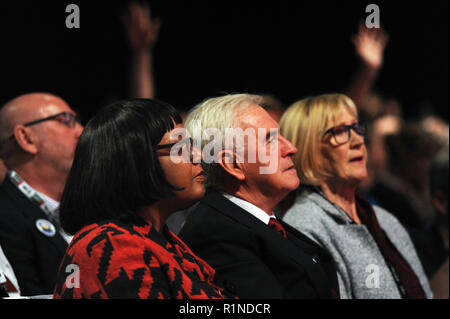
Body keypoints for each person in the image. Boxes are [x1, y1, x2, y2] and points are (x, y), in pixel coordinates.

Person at [53, 98, 230, 299]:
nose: (198, 156)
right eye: (180, 148)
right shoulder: (112, 245)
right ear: (137, 164)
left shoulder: (162, 239)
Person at [178, 94, 339, 299]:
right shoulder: (215, 235)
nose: (291, 148)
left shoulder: (257, 223)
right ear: (234, 165)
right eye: (270, 139)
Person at [279, 93, 432, 299]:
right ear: (309, 147)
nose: (358, 141)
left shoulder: (384, 220)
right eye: (341, 131)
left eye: (357, 128)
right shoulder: (304, 227)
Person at [0, 92, 83, 296]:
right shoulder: (6, 218)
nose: (82, 131)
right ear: (26, 138)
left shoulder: (94, 208)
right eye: (66, 120)